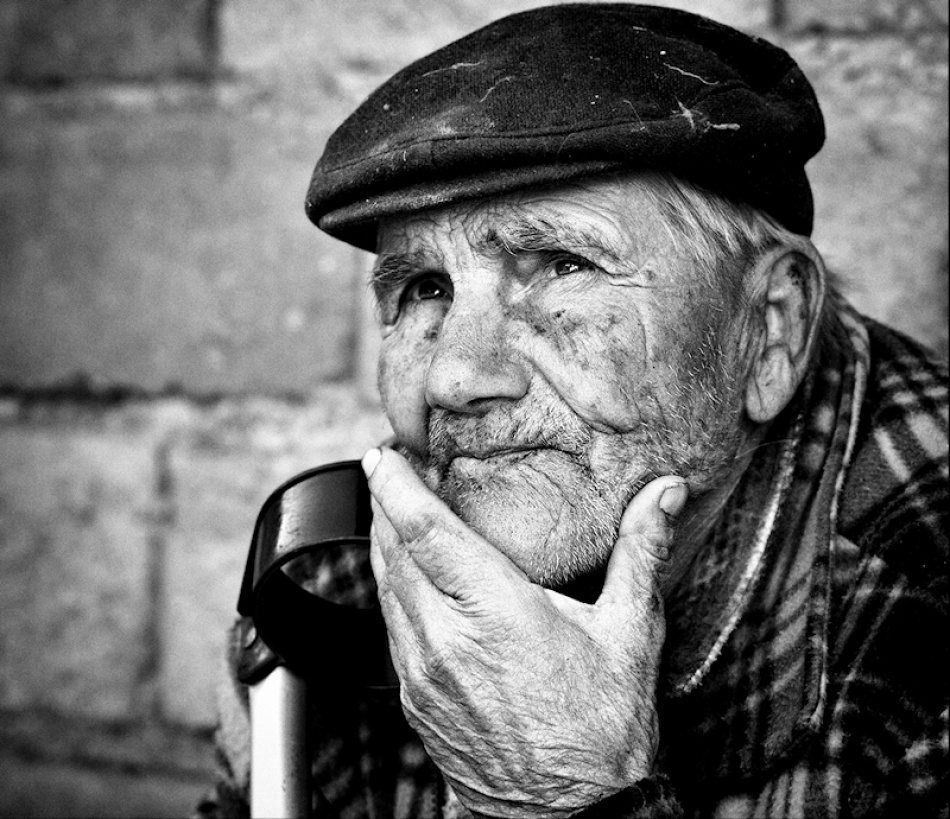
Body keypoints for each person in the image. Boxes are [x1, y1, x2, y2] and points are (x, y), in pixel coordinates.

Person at [199, 4, 948, 817]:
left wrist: (562, 797)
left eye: (562, 264)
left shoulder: (924, 611)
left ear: (769, 330)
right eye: (425, 288)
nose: (455, 376)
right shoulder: (329, 599)